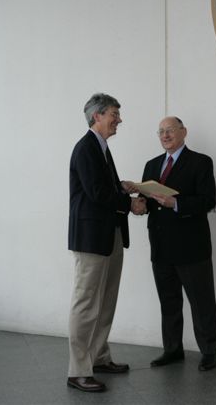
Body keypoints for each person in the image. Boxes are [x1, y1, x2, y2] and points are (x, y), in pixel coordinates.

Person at [67, 93, 145, 392]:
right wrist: (129, 203)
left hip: (109, 234)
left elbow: (101, 188)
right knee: (86, 303)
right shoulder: (86, 148)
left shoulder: (101, 148)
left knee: (106, 301)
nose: (119, 119)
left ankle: (98, 358)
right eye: (114, 113)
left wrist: (120, 186)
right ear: (96, 116)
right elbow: (97, 194)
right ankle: (78, 371)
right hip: (91, 239)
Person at [141, 116, 216, 371]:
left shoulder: (201, 162)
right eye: (161, 131)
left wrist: (176, 203)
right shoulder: (151, 165)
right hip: (161, 246)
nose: (165, 135)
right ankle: (172, 349)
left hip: (191, 247)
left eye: (170, 130)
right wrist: (138, 203)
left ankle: (209, 351)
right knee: (169, 301)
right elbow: (149, 203)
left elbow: (208, 200)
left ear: (183, 132)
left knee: (201, 302)